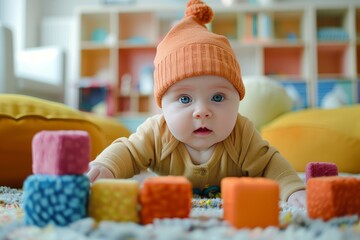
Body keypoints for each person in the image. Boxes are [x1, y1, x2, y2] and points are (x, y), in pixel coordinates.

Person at [87, 0, 306, 207]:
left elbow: (269, 163)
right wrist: (106, 167)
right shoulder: (157, 132)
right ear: (162, 105)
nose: (202, 111)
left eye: (218, 97)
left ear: (238, 101)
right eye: (185, 99)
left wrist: (293, 189)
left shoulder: (242, 134)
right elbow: (128, 151)